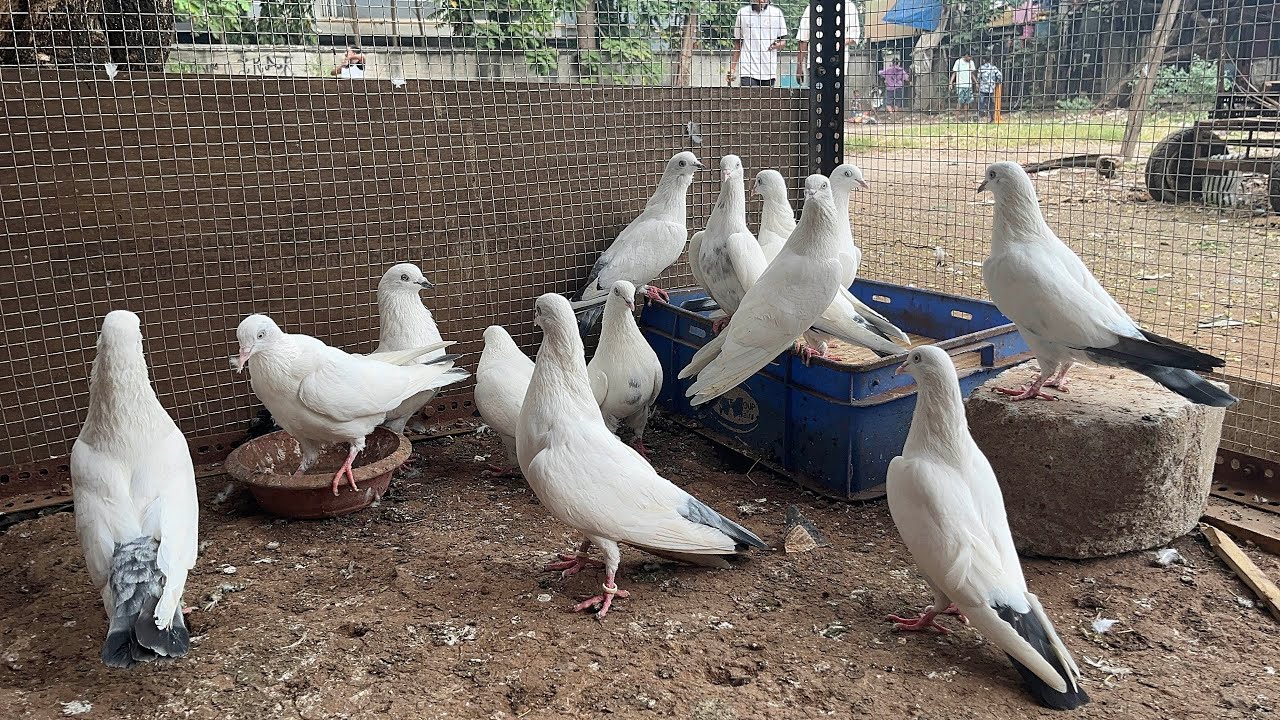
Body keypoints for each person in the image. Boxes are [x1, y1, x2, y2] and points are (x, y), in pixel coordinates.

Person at [794, 2, 862, 86]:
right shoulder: (812, 6)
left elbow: (853, 36)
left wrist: (834, 43)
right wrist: (799, 67)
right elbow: (803, 39)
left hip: (837, 65)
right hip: (817, 64)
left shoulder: (849, 6)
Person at [729, 0, 787, 87]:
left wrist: (777, 45)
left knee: (767, 100)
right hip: (747, 69)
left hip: (768, 70)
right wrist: (732, 68)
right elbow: (738, 42)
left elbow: (783, 41)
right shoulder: (742, 13)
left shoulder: (777, 13)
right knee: (748, 99)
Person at [977, 58, 1003, 122]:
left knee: (981, 103)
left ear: (984, 60)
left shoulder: (981, 68)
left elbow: (978, 78)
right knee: (991, 104)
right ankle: (992, 118)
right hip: (991, 89)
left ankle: (981, 118)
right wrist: (998, 81)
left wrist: (978, 84)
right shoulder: (994, 68)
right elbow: (1000, 75)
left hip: (983, 89)